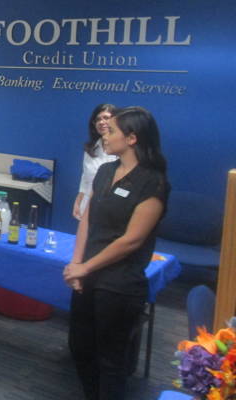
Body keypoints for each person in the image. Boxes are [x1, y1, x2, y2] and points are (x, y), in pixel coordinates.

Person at [64, 106, 169, 400]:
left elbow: (132, 241)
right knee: (80, 348)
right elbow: (87, 217)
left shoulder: (153, 182)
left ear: (132, 138)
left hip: (120, 282)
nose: (104, 135)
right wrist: (76, 263)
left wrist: (86, 267)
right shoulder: (106, 170)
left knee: (111, 360)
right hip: (87, 275)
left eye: (111, 131)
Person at [72, 104, 118, 220]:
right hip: (88, 204)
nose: (101, 122)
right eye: (98, 119)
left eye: (106, 118)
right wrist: (79, 198)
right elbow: (85, 177)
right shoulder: (90, 149)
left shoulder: (122, 149)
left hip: (112, 208)